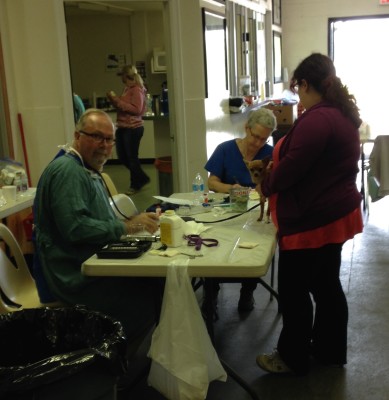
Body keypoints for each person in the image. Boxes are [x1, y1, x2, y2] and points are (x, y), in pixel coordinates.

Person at [256, 53, 363, 375]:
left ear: (305, 84)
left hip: (313, 218)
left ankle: (292, 356)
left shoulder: (318, 119)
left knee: (294, 290)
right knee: (326, 285)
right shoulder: (339, 114)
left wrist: (267, 182)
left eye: (298, 88)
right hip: (334, 211)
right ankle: (329, 350)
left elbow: (292, 170)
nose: (299, 96)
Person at [33, 108, 161, 348]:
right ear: (77, 136)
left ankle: (121, 353)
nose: (104, 145)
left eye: (109, 139)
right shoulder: (67, 172)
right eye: (96, 137)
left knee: (155, 281)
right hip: (73, 276)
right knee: (152, 293)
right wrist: (126, 227)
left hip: (91, 263)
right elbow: (76, 228)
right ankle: (111, 363)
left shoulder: (85, 169)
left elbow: (97, 218)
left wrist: (135, 220)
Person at [204, 107, 277, 311]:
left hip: (256, 212)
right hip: (227, 211)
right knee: (214, 245)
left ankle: (248, 291)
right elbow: (212, 182)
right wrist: (231, 189)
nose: (258, 143)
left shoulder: (270, 155)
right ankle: (211, 292)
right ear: (246, 128)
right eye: (255, 136)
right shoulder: (225, 149)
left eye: (264, 139)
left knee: (255, 248)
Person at [107, 65, 150, 195]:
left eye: (122, 76)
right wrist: (114, 100)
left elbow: (137, 110)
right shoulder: (127, 89)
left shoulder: (136, 90)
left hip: (133, 128)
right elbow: (125, 106)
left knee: (131, 158)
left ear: (126, 76)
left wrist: (115, 100)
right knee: (123, 157)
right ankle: (141, 178)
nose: (121, 78)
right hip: (123, 127)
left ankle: (136, 183)